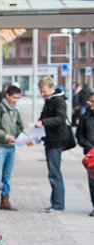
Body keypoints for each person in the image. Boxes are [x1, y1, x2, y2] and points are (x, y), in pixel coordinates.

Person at [33, 76, 73, 213]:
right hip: (50, 140)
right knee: (53, 172)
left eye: (44, 91)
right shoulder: (50, 100)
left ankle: (58, 205)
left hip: (56, 141)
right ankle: (55, 203)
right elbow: (43, 117)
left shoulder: (59, 100)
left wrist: (44, 122)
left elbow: (60, 119)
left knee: (54, 173)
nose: (42, 94)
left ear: (51, 88)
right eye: (41, 92)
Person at [0, 85, 25, 211]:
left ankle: (5, 200)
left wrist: (25, 138)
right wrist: (5, 136)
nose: (15, 100)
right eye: (14, 97)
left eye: (18, 98)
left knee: (7, 175)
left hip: (11, 147)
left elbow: (19, 128)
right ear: (7, 95)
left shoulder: (15, 111)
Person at [76, 93, 94, 216]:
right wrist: (86, 144)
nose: (90, 104)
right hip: (90, 154)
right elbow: (79, 134)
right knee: (92, 183)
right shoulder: (85, 116)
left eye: (92, 101)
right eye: (89, 101)